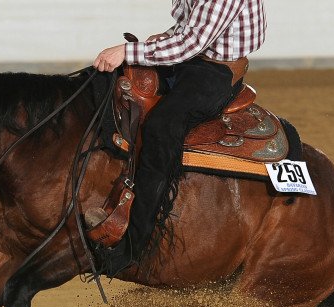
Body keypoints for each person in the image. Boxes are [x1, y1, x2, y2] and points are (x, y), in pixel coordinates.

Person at [89, 0, 266, 275]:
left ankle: (136, 245)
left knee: (161, 127)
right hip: (194, 58)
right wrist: (164, 38)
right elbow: (188, 28)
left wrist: (128, 51)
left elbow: (191, 42)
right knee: (114, 86)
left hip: (217, 70)